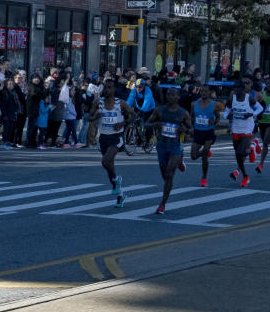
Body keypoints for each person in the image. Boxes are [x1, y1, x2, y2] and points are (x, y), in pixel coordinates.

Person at [145, 87, 193, 215]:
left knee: (170, 174)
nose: (170, 97)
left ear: (178, 97)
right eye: (168, 94)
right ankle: (180, 162)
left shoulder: (183, 113)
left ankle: (162, 204)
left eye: (173, 95)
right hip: (162, 145)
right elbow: (146, 124)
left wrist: (185, 130)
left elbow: (191, 130)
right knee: (165, 175)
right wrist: (156, 125)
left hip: (175, 145)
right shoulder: (159, 111)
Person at [91, 80, 134, 207]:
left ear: (114, 89)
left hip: (116, 137)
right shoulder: (98, 102)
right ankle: (120, 193)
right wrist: (94, 117)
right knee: (110, 167)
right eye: (105, 88)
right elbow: (88, 117)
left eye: (110, 88)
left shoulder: (120, 103)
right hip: (103, 137)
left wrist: (123, 123)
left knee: (105, 161)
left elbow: (134, 115)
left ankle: (117, 181)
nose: (107, 90)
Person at [225, 80, 264, 188]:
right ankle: (245, 176)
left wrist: (251, 114)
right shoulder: (231, 99)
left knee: (240, 152)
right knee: (238, 154)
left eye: (238, 89)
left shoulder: (248, 98)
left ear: (243, 89)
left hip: (247, 127)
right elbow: (226, 112)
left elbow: (260, 108)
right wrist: (228, 115)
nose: (236, 91)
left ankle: (251, 148)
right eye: (235, 89)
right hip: (236, 128)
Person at [189, 86, 217, 187]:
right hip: (197, 132)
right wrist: (191, 127)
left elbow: (217, 117)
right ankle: (205, 152)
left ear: (210, 93)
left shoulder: (214, 105)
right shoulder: (194, 104)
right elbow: (191, 117)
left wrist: (214, 122)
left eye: (206, 91)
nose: (203, 93)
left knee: (204, 156)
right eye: (202, 91)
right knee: (193, 156)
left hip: (208, 132)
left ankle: (204, 178)